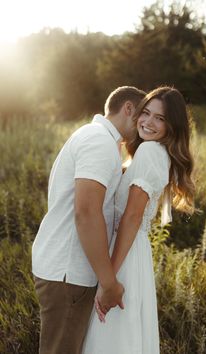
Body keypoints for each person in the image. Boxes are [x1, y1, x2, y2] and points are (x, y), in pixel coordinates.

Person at [32, 86, 146, 354]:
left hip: (65, 269)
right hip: (69, 273)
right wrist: (109, 283)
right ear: (128, 109)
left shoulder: (97, 138)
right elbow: (86, 213)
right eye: (142, 116)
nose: (143, 127)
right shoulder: (99, 142)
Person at [82, 86, 195, 354]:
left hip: (124, 256)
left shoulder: (150, 152)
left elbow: (132, 217)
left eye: (160, 118)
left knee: (111, 338)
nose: (148, 122)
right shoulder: (153, 153)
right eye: (146, 113)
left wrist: (109, 279)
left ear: (172, 126)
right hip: (133, 252)